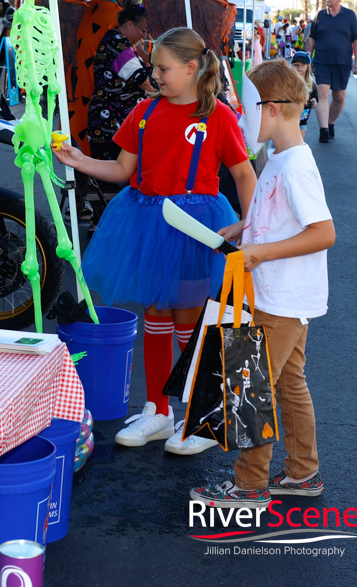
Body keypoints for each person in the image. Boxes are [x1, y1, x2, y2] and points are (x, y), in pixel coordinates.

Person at [52, 27, 256, 454]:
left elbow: (242, 173)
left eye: (163, 68)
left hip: (196, 228)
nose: (155, 74)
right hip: (147, 222)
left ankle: (199, 419)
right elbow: (123, 169)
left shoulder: (218, 116)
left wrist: (251, 224)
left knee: (188, 321)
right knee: (156, 316)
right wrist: (79, 159)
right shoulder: (144, 111)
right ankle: (159, 411)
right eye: (154, 67)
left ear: (191, 68)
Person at [190, 59, 334, 507]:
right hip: (283, 296)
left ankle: (249, 487)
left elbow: (323, 232)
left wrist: (259, 252)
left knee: (250, 384)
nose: (241, 117)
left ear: (271, 109)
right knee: (290, 384)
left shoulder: (295, 167)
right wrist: (244, 228)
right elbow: (276, 215)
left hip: (282, 298)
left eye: (247, 108)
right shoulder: (279, 158)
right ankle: (303, 473)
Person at [72, 0, 145, 154]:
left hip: (76, 93)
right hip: (107, 106)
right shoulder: (117, 17)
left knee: (78, 157)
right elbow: (131, 66)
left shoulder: (88, 7)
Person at [86, 0, 157, 159]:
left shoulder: (121, 42)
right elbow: (140, 78)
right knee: (113, 174)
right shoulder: (116, 43)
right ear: (130, 24)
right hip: (111, 121)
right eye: (142, 30)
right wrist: (158, 97)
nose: (143, 35)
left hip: (113, 120)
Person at [304, 0, 357, 143]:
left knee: (339, 97)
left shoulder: (349, 15)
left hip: (342, 63)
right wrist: (307, 59)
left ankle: (330, 123)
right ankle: (324, 130)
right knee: (323, 94)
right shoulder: (320, 15)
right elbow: (312, 39)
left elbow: (356, 39)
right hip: (322, 61)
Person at [291, 51, 317, 140]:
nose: (299, 67)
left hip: (302, 120)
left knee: (299, 142)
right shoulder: (287, 82)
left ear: (307, 67)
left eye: (302, 65)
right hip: (287, 118)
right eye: (296, 64)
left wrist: (313, 102)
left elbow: (315, 98)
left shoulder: (311, 84)